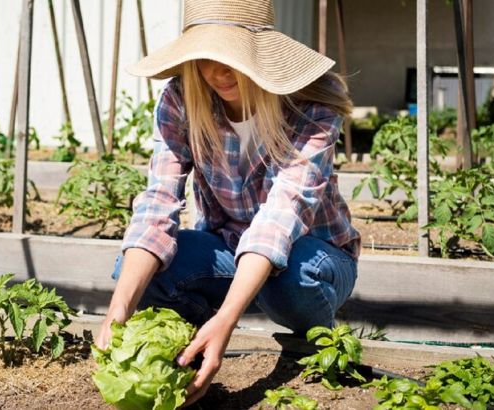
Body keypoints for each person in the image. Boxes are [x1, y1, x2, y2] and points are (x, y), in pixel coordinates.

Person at [95, 0, 361, 406]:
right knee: (135, 275)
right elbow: (158, 201)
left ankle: (313, 340)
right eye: (204, 57)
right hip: (228, 249)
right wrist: (118, 309)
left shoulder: (311, 110)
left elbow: (280, 218)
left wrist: (228, 319)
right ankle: (192, 346)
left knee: (289, 281)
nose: (217, 72)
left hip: (313, 255)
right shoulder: (182, 100)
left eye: (230, 57)